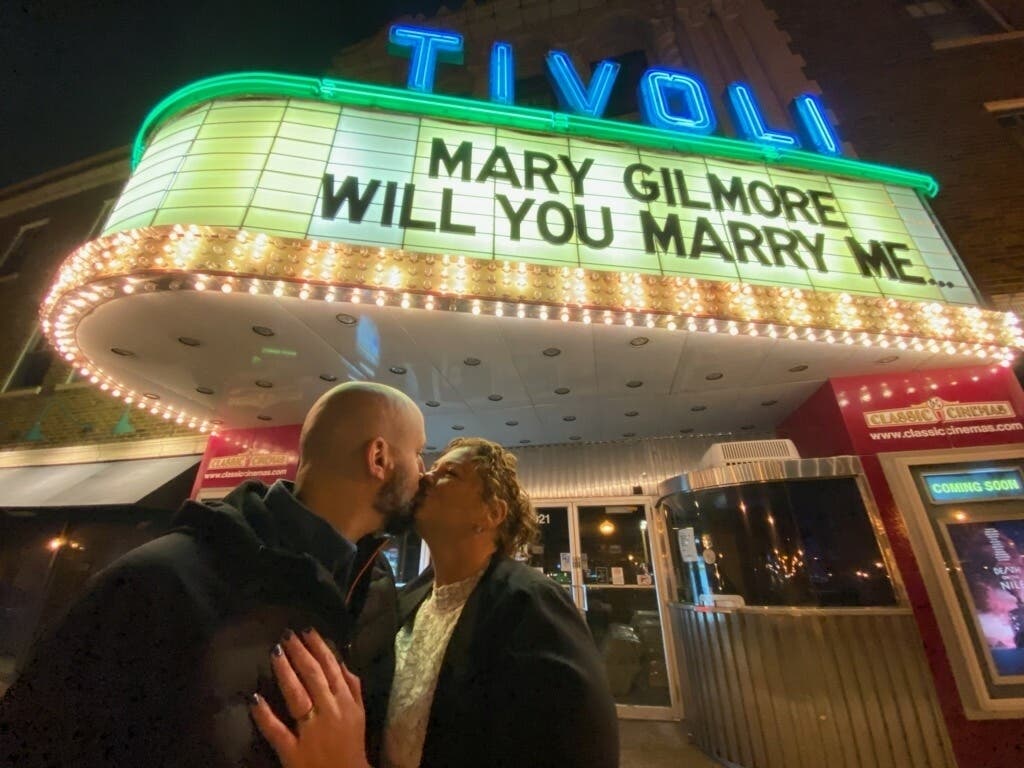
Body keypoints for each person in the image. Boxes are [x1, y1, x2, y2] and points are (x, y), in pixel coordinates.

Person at [0, 382, 426, 768]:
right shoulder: (161, 581)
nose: (425, 472)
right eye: (419, 453)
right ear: (379, 458)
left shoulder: (366, 589)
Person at [251, 436, 619, 768]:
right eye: (432, 468)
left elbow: (580, 749)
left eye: (451, 474)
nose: (426, 477)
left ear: (491, 515)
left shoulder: (530, 604)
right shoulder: (412, 597)